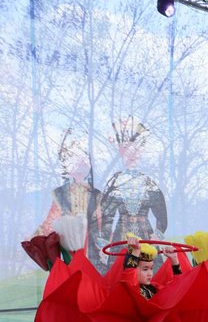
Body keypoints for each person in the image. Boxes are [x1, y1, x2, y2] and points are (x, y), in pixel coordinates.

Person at [36, 130, 103, 262]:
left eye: (83, 161)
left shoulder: (95, 194)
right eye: (72, 160)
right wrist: (37, 237)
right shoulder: (60, 193)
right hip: (68, 246)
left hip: (91, 247)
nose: (79, 166)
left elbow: (101, 223)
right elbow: (50, 222)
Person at [101, 116, 168, 245]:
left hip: (145, 237)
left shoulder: (148, 182)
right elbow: (107, 216)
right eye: (127, 150)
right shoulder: (115, 182)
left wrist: (157, 234)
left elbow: (161, 213)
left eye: (135, 150)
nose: (132, 154)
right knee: (122, 258)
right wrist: (104, 241)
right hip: (121, 237)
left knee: (146, 257)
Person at [123, 234, 181, 300]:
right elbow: (129, 279)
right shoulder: (130, 289)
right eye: (145, 269)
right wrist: (135, 251)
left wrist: (174, 260)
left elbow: (178, 289)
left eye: (151, 268)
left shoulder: (156, 287)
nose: (150, 274)